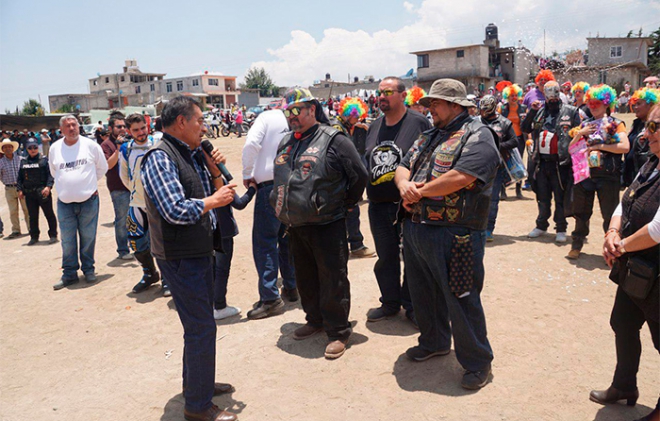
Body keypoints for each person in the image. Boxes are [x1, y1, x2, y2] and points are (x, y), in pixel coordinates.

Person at [394, 78, 499, 390]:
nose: (430, 109)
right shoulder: (429, 135)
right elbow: (403, 165)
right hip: (417, 229)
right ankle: (435, 341)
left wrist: (418, 192)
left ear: (455, 105)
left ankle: (478, 363)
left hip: (457, 234)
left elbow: (462, 176)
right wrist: (403, 185)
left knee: (462, 298)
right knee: (422, 292)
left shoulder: (479, 135)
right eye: (429, 104)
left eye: (435, 103)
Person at [141, 96, 238, 421]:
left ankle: (200, 385)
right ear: (181, 122)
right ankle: (198, 406)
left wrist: (214, 173)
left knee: (201, 326)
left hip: (197, 250)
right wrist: (212, 200)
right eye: (200, 121)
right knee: (200, 328)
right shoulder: (159, 157)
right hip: (180, 257)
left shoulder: (192, 153)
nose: (204, 127)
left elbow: (205, 191)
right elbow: (174, 209)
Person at [270, 87, 367, 359]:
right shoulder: (286, 141)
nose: (292, 116)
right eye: (287, 111)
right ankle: (314, 320)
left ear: (312, 109)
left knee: (332, 277)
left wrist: (345, 203)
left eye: (296, 110)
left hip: (328, 222)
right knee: (306, 277)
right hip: (296, 223)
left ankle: (338, 331)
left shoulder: (334, 139)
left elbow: (359, 175)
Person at [590, 103, 660, 421]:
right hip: (636, 270)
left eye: (655, 127)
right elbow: (626, 197)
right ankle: (624, 386)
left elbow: (659, 230)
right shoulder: (651, 163)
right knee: (623, 323)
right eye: (649, 125)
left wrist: (620, 247)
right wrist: (613, 229)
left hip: (655, 274)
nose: (647, 132)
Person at [364, 76, 432, 326]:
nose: (382, 97)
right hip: (379, 205)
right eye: (379, 92)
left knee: (414, 257)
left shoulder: (419, 123)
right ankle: (390, 303)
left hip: (410, 205)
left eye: (388, 92)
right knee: (386, 257)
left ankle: (413, 305)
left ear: (403, 95)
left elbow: (430, 158)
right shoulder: (374, 126)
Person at [241, 106, 297, 320]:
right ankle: (291, 287)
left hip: (269, 187)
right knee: (286, 239)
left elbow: (251, 144)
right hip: (290, 185)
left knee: (265, 243)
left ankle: (270, 298)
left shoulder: (266, 117)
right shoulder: (294, 119)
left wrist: (247, 173)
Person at [568, 84, 630, 260]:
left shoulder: (616, 123)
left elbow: (625, 146)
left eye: (597, 103)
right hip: (586, 174)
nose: (593, 106)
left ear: (606, 103)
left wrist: (600, 146)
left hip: (608, 175)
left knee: (610, 214)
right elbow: (571, 149)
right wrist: (580, 133)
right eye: (590, 103)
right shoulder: (585, 124)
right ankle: (577, 244)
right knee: (581, 212)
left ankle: (612, 250)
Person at [49, 115, 108, 290]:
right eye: (67, 126)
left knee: (88, 237)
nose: (71, 128)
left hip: (89, 201)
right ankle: (69, 274)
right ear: (61, 130)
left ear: (79, 126)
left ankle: (89, 270)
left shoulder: (90, 145)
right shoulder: (54, 148)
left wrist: (87, 184)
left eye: (74, 124)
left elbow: (102, 167)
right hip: (64, 204)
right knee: (67, 241)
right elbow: (54, 172)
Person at [523, 81, 581, 243]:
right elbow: (525, 128)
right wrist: (531, 112)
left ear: (559, 92)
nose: (552, 98)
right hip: (541, 162)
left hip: (560, 163)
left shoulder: (571, 111)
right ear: (545, 96)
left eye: (555, 94)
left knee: (560, 197)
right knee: (542, 196)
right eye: (549, 95)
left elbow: (579, 133)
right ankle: (541, 225)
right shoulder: (539, 111)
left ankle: (561, 227)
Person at [119, 113, 169, 296]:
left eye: (142, 128)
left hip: (160, 202)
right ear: (128, 131)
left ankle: (167, 278)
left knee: (163, 241)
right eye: (135, 130)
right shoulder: (126, 149)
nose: (140, 133)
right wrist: (136, 190)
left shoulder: (159, 141)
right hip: (137, 203)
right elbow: (124, 176)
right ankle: (149, 274)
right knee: (136, 241)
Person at [329, 97, 375, 258]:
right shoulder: (337, 127)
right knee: (351, 210)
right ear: (348, 113)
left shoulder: (345, 126)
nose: (358, 119)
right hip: (339, 178)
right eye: (356, 115)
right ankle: (356, 245)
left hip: (341, 177)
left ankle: (351, 244)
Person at [213, 179, 257, 320]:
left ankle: (211, 304)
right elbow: (239, 204)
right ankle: (219, 306)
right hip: (223, 231)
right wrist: (252, 189)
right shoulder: (218, 179)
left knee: (211, 268)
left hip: (206, 231)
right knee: (221, 269)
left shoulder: (196, 176)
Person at [478, 95, 518, 241]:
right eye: (481, 109)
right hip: (476, 166)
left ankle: (489, 229)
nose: (483, 113)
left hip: (496, 167)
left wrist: (497, 146)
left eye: (487, 110)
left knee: (492, 200)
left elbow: (514, 141)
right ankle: (477, 226)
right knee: (476, 197)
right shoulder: (476, 122)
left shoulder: (504, 123)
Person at [101, 112, 133, 261]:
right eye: (118, 126)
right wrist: (118, 148)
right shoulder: (106, 145)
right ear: (111, 128)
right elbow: (108, 165)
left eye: (124, 126)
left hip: (133, 186)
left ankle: (138, 246)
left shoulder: (130, 141)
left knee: (137, 218)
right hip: (118, 188)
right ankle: (122, 250)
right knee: (121, 220)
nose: (122, 129)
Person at [16, 137, 57, 245]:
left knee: (49, 214)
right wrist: (19, 189)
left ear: (37, 147)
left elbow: (50, 175)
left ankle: (53, 235)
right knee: (32, 216)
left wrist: (48, 187)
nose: (33, 149)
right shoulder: (23, 161)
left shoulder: (44, 160)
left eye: (34, 147)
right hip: (29, 193)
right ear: (27, 149)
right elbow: (20, 178)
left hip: (42, 191)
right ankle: (34, 237)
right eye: (30, 148)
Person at [623, 88, 660, 187]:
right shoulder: (636, 124)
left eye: (639, 104)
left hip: (646, 178)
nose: (635, 107)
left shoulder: (655, 129)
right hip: (633, 176)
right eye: (634, 104)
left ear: (651, 105)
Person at [499, 84, 528, 199]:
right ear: (507, 96)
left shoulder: (523, 108)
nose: (514, 98)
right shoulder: (503, 108)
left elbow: (526, 125)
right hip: (506, 140)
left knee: (519, 164)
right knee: (504, 164)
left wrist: (529, 139)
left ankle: (518, 190)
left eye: (515, 95)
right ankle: (503, 191)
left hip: (519, 139)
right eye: (511, 96)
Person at [0, 138, 29, 238]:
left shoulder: (21, 159)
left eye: (9, 147)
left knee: (26, 209)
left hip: (22, 188)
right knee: (13, 211)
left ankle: (31, 228)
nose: (8, 149)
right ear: (2, 149)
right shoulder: (0, 162)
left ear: (13, 148)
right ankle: (16, 230)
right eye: (5, 147)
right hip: (9, 189)